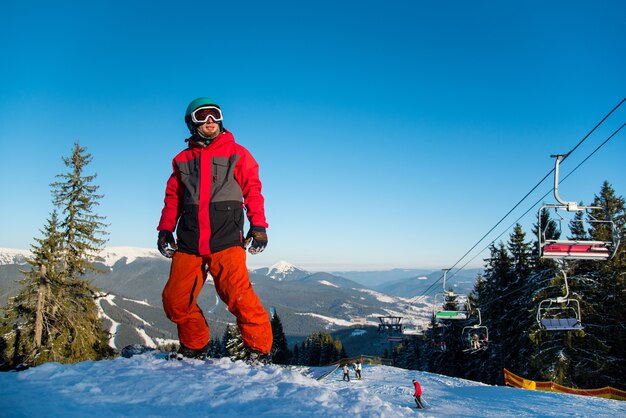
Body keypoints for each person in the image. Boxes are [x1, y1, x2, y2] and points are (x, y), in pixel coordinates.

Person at [157, 97, 272, 363]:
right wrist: (165, 230)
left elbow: (253, 191)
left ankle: (259, 352)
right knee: (175, 300)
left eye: (214, 115)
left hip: (226, 239)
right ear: (191, 123)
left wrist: (258, 226)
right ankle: (195, 348)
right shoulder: (182, 160)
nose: (209, 121)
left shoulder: (238, 153)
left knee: (239, 298)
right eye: (202, 116)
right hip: (189, 241)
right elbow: (173, 197)